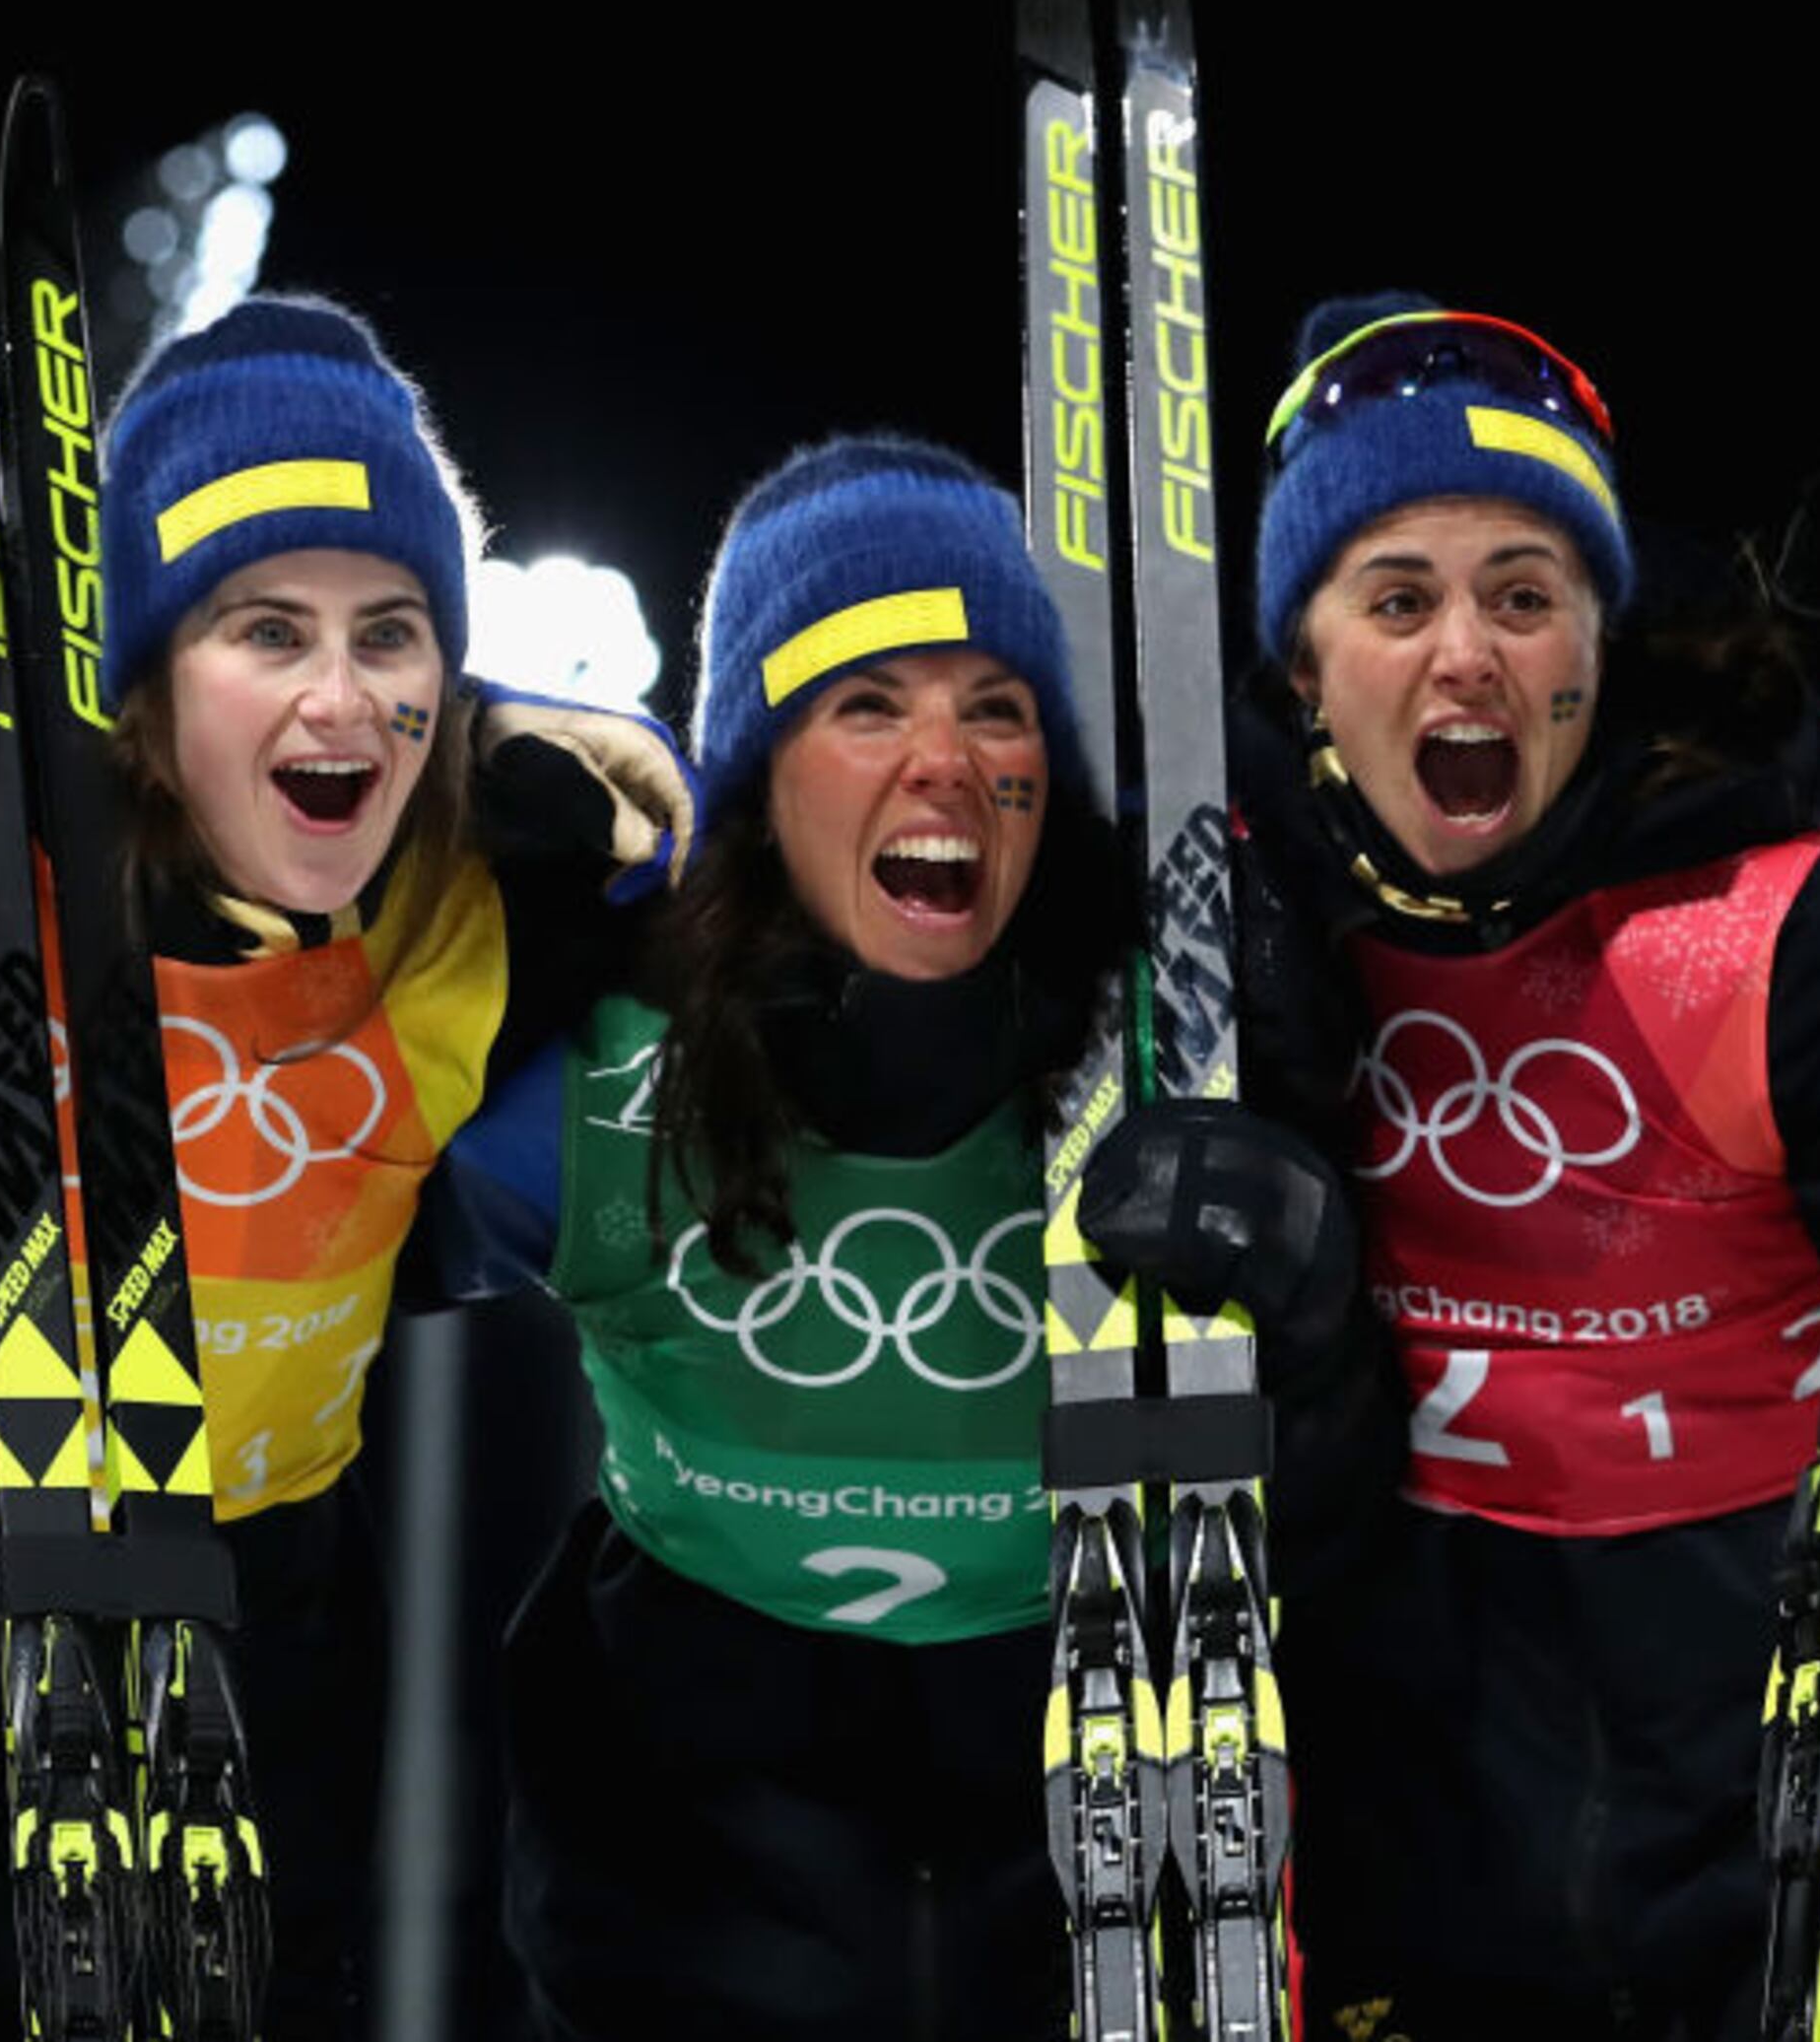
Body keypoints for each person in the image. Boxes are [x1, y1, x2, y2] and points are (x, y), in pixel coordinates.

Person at [1231, 306, 1820, 2038]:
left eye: (1526, 594)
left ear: (1599, 640)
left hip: (1805, 1858)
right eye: (1398, 599)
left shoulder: (1776, 927)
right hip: (1422, 1863)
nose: (1468, 652)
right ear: (1304, 665)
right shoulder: (1246, 955)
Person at [444, 434, 1379, 2042]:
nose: (942, 758)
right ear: (758, 775)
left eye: (996, 707)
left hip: (1082, 1909)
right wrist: (420, 914)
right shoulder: (610, 1077)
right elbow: (295, 1277)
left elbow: (1338, 1535)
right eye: (867, 703)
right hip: (693, 1937)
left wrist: (1315, 1320)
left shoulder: (1163, 1059)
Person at [78, 293, 678, 2037]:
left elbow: (741, 901)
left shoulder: (480, 898)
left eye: (392, 632)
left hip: (281, 1612)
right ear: (146, 683)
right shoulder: (20, 875)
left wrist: (623, 779)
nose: (343, 695)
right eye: (267, 628)